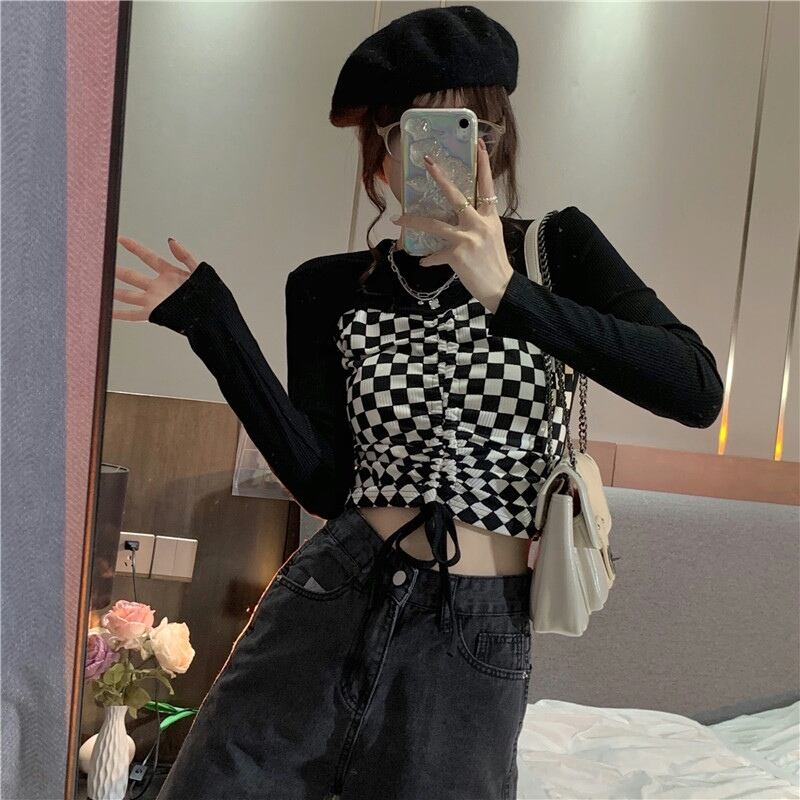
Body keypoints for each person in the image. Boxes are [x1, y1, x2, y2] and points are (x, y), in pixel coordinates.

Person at [113, 6, 724, 799]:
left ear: (497, 142)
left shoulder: (557, 251)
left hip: (475, 629)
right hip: (328, 599)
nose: (440, 157)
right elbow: (326, 485)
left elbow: (695, 388)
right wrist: (214, 323)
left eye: (466, 130)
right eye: (415, 133)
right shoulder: (327, 287)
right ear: (381, 152)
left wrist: (506, 292)